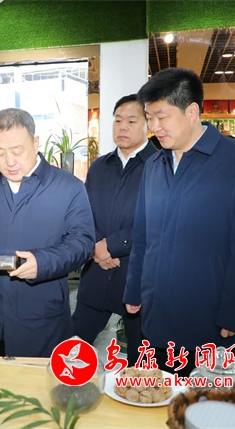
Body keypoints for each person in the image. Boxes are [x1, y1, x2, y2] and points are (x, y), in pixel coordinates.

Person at [123, 67, 235, 376]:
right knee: (159, 397)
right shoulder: (154, 165)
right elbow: (142, 236)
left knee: (208, 402)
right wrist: (134, 290)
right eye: (149, 118)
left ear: (191, 112)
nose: (154, 127)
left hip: (212, 321)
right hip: (156, 315)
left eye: (162, 117)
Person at [0, 108, 95, 357]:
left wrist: (43, 262)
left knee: (38, 381)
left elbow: (82, 242)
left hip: (41, 318)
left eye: (17, 150)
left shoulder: (68, 187)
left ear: (35, 142)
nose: (9, 161)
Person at [73, 94, 157, 366]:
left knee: (140, 366)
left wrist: (111, 246)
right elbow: (84, 214)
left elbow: (156, 221)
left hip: (137, 279)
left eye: (132, 121)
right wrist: (96, 248)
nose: (123, 126)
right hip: (97, 275)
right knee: (70, 353)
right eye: (118, 120)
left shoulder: (160, 165)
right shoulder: (100, 166)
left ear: (148, 125)